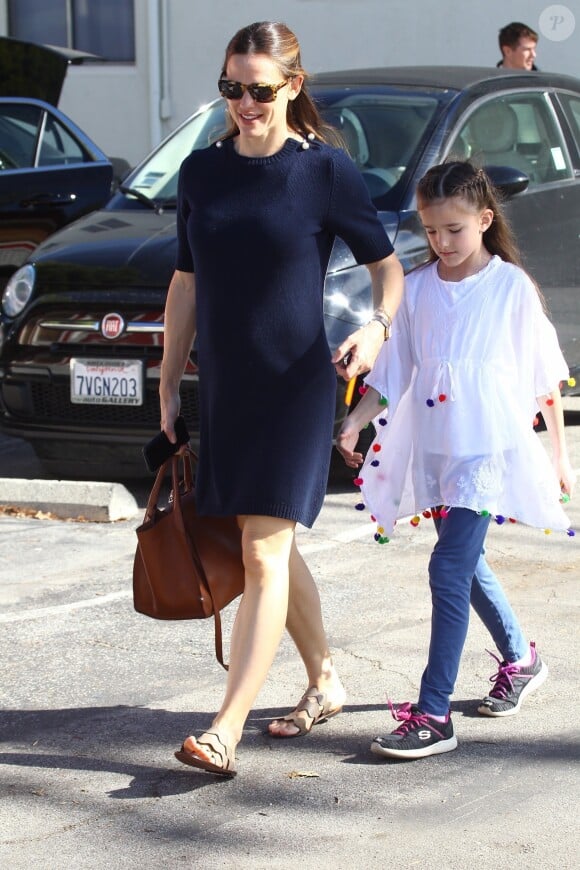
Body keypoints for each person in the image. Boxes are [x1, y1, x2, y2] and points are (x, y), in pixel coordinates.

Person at [160, 20, 404, 776]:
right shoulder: (202, 173)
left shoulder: (324, 172)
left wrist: (376, 332)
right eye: (231, 88)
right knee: (266, 543)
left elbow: (387, 268)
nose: (243, 103)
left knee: (263, 551)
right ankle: (325, 678)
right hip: (229, 388)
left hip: (296, 385)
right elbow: (187, 282)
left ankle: (225, 728)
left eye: (259, 90)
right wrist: (168, 381)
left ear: (292, 86)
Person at [337, 160, 575, 760]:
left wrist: (559, 457)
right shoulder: (415, 290)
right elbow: (396, 372)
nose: (442, 242)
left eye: (455, 229)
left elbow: (545, 379)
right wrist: (354, 422)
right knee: (465, 566)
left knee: (447, 569)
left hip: (485, 451)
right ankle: (522, 659)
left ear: (484, 220)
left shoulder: (510, 287)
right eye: (431, 229)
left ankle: (433, 712)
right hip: (436, 448)